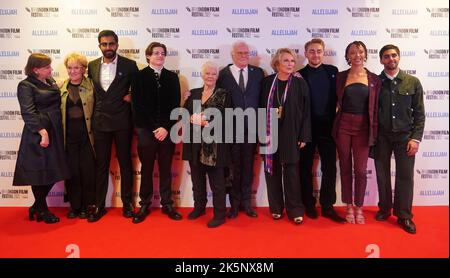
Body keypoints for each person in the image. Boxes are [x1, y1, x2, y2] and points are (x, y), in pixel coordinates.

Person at [87, 30, 138, 222]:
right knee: (101, 165)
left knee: (125, 163)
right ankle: (99, 205)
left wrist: (134, 95)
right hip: (100, 122)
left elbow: (140, 87)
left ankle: (127, 204)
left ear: (117, 45)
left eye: (111, 44)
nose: (108, 47)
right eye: (104, 44)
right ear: (99, 46)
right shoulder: (91, 66)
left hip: (123, 121)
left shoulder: (130, 65)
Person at [13, 53, 70, 224]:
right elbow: (28, 112)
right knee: (40, 171)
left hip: (55, 129)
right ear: (35, 70)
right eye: (47, 67)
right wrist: (42, 132)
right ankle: (42, 208)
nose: (51, 69)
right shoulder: (25, 85)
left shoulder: (50, 81)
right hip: (38, 132)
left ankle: (36, 206)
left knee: (54, 170)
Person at [374, 44, 425, 234]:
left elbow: (419, 114)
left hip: (405, 138)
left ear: (399, 57)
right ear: (381, 60)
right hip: (381, 137)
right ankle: (385, 209)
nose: (391, 59)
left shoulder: (412, 82)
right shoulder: (375, 83)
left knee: (405, 176)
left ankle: (404, 215)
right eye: (386, 56)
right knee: (382, 174)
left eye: (394, 55)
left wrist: (416, 139)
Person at [131, 42, 182, 223]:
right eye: (156, 53)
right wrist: (155, 128)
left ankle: (167, 203)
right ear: (148, 56)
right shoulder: (139, 77)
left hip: (167, 132)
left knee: (166, 168)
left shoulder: (172, 77)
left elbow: (175, 105)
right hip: (146, 131)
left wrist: (166, 128)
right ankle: (144, 203)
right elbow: (138, 106)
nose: (160, 56)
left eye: (162, 53)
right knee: (146, 169)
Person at [260, 48, 311, 225]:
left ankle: (295, 209)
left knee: (291, 172)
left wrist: (304, 135)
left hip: (291, 132)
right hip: (269, 132)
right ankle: (275, 207)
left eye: (292, 61)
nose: (290, 64)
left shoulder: (299, 83)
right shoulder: (267, 83)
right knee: (271, 171)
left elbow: (306, 112)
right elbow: (259, 109)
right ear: (277, 64)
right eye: (286, 61)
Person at [332, 41, 381, 224]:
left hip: (363, 128)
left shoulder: (374, 79)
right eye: (353, 52)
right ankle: (349, 206)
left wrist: (374, 132)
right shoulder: (340, 76)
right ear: (348, 56)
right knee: (345, 168)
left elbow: (376, 108)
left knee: (360, 171)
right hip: (343, 125)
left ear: (365, 54)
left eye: (360, 52)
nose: (357, 55)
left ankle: (359, 206)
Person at [298, 38, 346, 223]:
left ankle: (327, 206)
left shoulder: (332, 72)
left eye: (319, 51)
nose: (315, 54)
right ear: (306, 53)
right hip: (307, 129)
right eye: (311, 51)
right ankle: (308, 204)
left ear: (323, 52)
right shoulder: (299, 75)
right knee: (305, 168)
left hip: (328, 128)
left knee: (329, 168)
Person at [217, 41, 264, 219]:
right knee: (234, 169)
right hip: (231, 130)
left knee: (248, 167)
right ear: (232, 55)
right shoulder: (223, 75)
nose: (244, 55)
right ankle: (234, 204)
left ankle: (247, 203)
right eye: (240, 53)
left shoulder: (258, 73)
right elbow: (214, 98)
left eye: (246, 53)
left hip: (252, 130)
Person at [182, 61, 232, 228]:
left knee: (217, 183)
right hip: (195, 144)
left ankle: (219, 214)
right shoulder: (194, 93)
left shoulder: (225, 94)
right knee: (197, 180)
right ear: (202, 75)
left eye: (213, 74)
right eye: (207, 73)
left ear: (217, 76)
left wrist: (207, 122)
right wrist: (190, 118)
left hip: (215, 147)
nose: (210, 76)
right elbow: (185, 115)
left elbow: (229, 119)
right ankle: (199, 208)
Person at [60, 52, 95, 219]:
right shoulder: (61, 87)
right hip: (69, 139)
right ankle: (75, 206)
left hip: (88, 138)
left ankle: (87, 206)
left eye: (76, 68)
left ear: (83, 69)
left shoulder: (92, 86)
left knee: (87, 172)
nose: (72, 71)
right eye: (69, 67)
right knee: (72, 173)